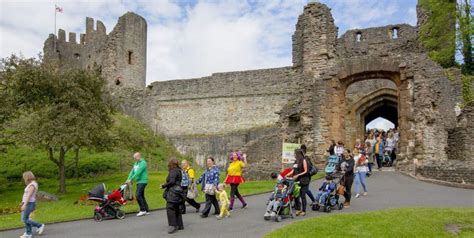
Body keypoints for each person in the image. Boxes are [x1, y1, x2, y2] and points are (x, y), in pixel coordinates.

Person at [161, 158, 184, 234]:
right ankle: (180, 225)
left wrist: (163, 186)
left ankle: (172, 225)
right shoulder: (179, 170)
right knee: (176, 208)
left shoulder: (173, 171)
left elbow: (172, 181)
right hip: (178, 192)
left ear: (170, 164)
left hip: (173, 193)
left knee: (170, 208)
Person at [19, 171, 45, 238]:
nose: (24, 179)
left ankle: (39, 225)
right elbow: (26, 195)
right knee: (25, 218)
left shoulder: (32, 185)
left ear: (27, 177)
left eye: (24, 177)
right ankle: (28, 233)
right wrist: (22, 202)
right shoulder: (32, 184)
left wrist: (25, 204)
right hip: (28, 203)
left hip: (29, 203)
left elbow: (29, 195)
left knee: (24, 219)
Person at [286, 149, 310, 216]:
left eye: (295, 153)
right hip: (296, 181)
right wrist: (288, 174)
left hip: (304, 180)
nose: (294, 155)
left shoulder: (304, 160)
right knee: (296, 196)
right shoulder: (296, 161)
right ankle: (298, 209)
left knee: (302, 196)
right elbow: (294, 170)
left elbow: (306, 171)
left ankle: (304, 210)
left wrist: (298, 175)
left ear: (298, 154)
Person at [126, 152, 149, 216]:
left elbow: (138, 172)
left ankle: (142, 210)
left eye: (135, 157)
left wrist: (131, 179)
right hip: (139, 181)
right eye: (134, 158)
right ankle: (146, 210)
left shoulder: (143, 163)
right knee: (141, 195)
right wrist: (128, 178)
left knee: (138, 195)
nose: (134, 159)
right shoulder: (136, 163)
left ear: (139, 156)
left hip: (143, 181)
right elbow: (132, 172)